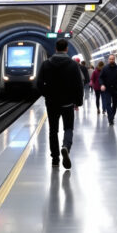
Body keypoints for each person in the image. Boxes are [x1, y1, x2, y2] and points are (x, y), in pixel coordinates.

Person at [36, 39, 82, 169]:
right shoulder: (73, 65)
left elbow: (39, 84)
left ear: (56, 49)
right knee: (68, 128)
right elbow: (78, 85)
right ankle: (66, 146)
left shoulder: (46, 64)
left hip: (52, 103)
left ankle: (55, 159)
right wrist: (78, 101)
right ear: (66, 49)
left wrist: (47, 94)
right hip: (68, 103)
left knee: (53, 130)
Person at [99, 55, 117, 125]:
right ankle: (110, 118)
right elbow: (101, 78)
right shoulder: (105, 68)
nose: (111, 60)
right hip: (107, 89)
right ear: (108, 60)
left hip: (116, 89)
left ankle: (112, 116)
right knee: (108, 103)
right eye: (110, 59)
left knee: (115, 104)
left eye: (112, 59)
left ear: (115, 60)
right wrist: (102, 84)